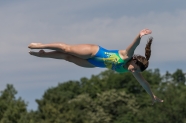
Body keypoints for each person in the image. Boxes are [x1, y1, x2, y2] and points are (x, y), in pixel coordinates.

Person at [28, 29, 163, 104]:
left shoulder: (132, 70)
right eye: (135, 67)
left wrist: (152, 96)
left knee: (67, 58)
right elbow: (134, 44)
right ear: (134, 60)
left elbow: (144, 83)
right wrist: (139, 35)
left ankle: (43, 55)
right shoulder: (126, 55)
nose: (133, 70)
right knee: (67, 49)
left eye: (136, 70)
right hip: (94, 51)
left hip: (93, 63)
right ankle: (41, 45)